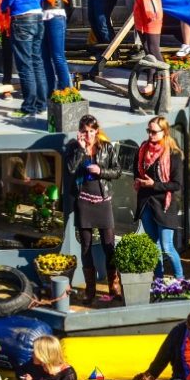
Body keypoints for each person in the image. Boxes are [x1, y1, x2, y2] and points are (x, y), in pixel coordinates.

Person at [64, 114, 120, 304]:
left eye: (91, 131)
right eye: (84, 131)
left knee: (108, 244)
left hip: (103, 201)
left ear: (96, 130)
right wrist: (80, 150)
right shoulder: (74, 148)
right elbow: (71, 169)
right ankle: (90, 290)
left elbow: (117, 171)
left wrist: (101, 171)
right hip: (84, 202)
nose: (87, 135)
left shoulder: (106, 147)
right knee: (86, 246)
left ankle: (114, 286)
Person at [0, 0, 53, 118]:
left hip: (21, 16)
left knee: (25, 64)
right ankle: (42, 103)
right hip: (37, 15)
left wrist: (3, 7)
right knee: (37, 60)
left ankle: (30, 106)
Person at [134, 116, 184, 280]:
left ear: (164, 132)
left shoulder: (173, 154)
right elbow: (136, 170)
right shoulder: (142, 149)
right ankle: (159, 279)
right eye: (149, 131)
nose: (150, 135)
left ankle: (180, 279)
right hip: (146, 203)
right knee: (153, 245)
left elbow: (176, 184)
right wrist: (138, 180)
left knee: (167, 246)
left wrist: (153, 185)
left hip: (164, 205)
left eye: (154, 132)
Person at [33, 0, 74, 96]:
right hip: (40, 14)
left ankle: (66, 91)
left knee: (57, 55)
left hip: (55, 13)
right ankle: (50, 91)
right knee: (44, 57)